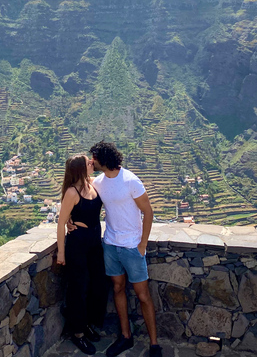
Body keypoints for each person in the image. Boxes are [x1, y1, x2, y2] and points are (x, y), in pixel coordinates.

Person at [89, 141, 161, 357]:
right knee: (118, 288)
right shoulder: (99, 183)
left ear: (103, 159)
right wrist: (70, 222)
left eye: (94, 158)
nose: (92, 161)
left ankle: (155, 344)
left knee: (143, 295)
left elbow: (148, 212)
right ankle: (125, 337)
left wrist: (142, 245)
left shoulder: (130, 180)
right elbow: (77, 191)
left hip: (131, 246)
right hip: (111, 244)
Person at [56, 154, 108, 355]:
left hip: (94, 240)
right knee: (78, 287)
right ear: (79, 168)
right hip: (78, 243)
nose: (91, 163)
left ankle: (87, 323)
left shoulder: (93, 183)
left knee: (97, 284)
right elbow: (61, 222)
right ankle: (77, 332)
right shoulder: (72, 192)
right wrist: (61, 252)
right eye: (88, 162)